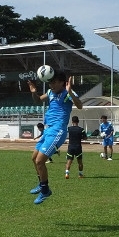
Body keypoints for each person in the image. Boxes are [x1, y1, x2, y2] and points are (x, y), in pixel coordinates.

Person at [28, 71, 83, 204]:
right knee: (34, 158)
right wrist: (34, 92)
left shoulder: (67, 93)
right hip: (48, 130)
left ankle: (45, 190)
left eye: (54, 82)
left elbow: (80, 106)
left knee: (40, 161)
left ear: (62, 83)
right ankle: (42, 185)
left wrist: (70, 92)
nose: (51, 85)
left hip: (58, 131)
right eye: (50, 82)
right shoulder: (51, 93)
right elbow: (37, 100)